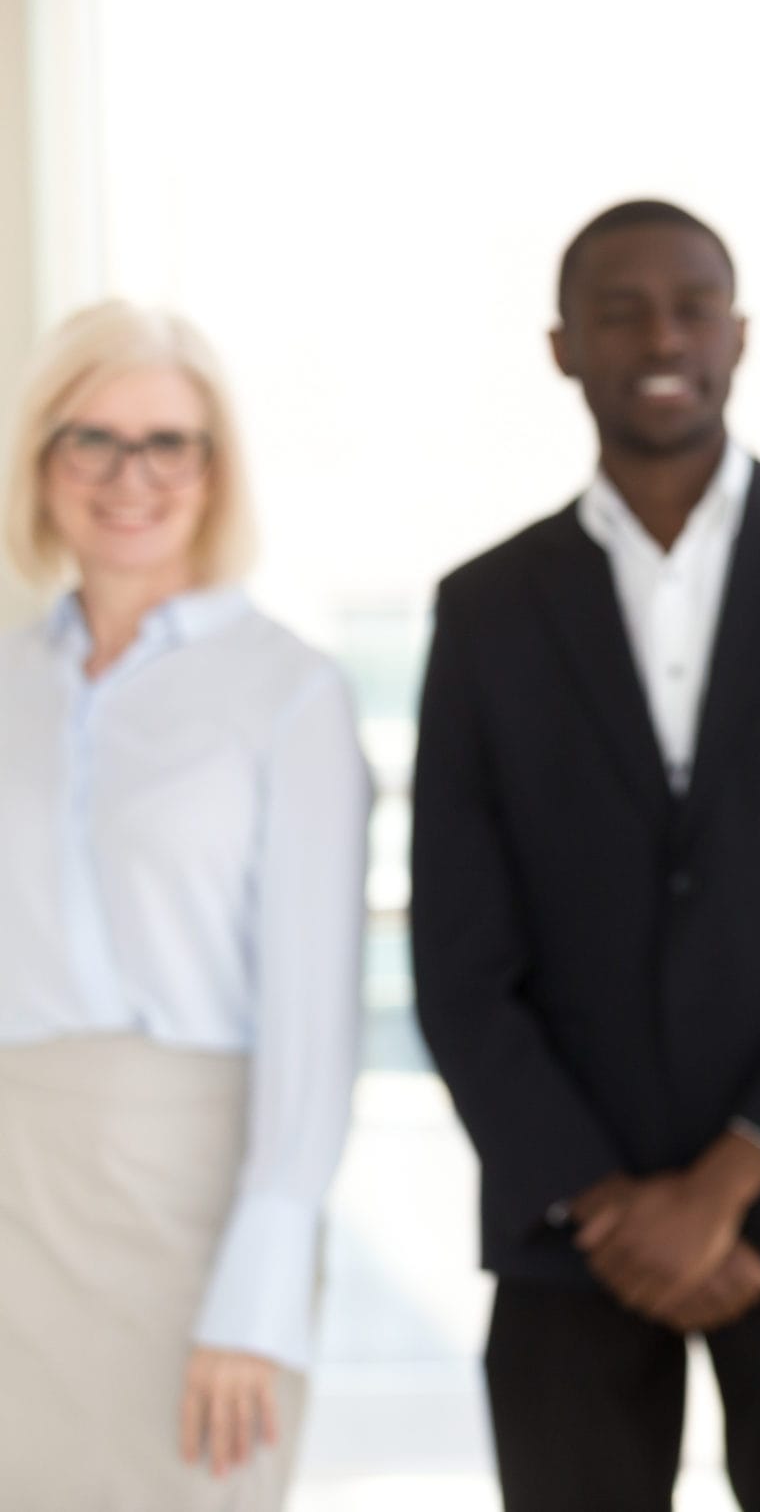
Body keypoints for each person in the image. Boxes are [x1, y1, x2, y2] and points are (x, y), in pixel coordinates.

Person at [410, 200, 760, 1511]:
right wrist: (603, 1198)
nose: (660, 334)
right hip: (568, 1225)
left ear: (738, 333)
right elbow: (460, 951)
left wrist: (736, 1175)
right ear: (561, 345)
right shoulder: (483, 606)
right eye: (619, 307)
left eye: (691, 303)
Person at [0, 301, 369, 1508]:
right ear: (42, 459)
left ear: (215, 471)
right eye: (91, 439)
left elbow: (315, 1023)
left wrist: (257, 1291)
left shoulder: (287, 691)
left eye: (168, 442)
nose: (129, 477)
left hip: (196, 1198)